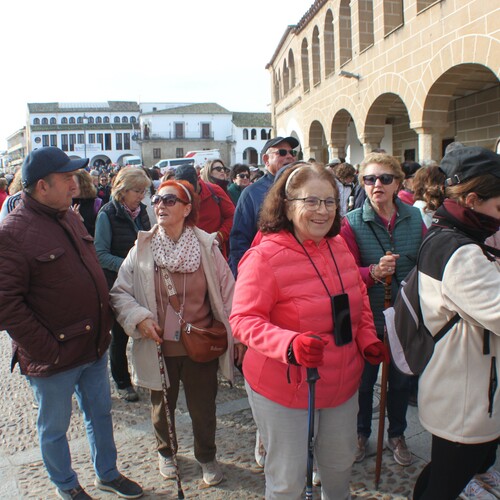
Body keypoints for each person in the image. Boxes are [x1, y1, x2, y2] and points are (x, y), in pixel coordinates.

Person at [229, 162, 385, 499]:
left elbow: (356, 301)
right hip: (286, 387)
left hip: (342, 383)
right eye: (310, 201)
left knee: (339, 464)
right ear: (286, 205)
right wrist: (289, 344)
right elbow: (243, 320)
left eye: (330, 202)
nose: (322, 211)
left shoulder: (339, 247)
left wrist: (367, 339)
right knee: (287, 478)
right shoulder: (263, 256)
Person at [0, 147, 143, 500]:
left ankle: (107, 474)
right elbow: (6, 304)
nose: (76, 184)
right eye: (66, 179)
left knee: (100, 415)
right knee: (55, 428)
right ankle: (66, 486)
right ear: (41, 186)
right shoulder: (12, 232)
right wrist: (47, 349)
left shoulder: (70, 216)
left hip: (92, 347)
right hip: (54, 358)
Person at [109, 180, 245, 486]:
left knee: (203, 408)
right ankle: (166, 452)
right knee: (161, 407)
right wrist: (140, 318)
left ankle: (206, 457)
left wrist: (236, 336)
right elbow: (120, 293)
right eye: (157, 199)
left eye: (170, 200)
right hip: (158, 344)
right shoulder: (142, 247)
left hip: (200, 344)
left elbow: (229, 294)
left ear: (187, 209)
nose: (160, 205)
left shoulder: (207, 246)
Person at [413, 146, 500, 500]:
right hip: (465, 396)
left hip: (460, 388)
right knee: (445, 483)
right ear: (474, 199)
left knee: (444, 473)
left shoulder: (447, 235)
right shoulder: (461, 252)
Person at [341, 152, 425, 467]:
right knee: (363, 382)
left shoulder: (415, 218)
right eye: (369, 179)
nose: (377, 185)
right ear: (363, 183)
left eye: (384, 179)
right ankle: (361, 434)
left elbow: (425, 262)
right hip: (368, 319)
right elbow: (347, 274)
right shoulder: (350, 223)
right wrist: (373, 273)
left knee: (401, 381)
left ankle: (397, 434)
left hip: (405, 317)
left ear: (397, 183)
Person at [94, 167, 152, 402]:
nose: (141, 196)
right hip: (117, 283)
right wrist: (129, 265)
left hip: (142, 280)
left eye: (143, 191)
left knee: (145, 328)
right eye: (137, 191)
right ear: (123, 190)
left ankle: (146, 375)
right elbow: (100, 254)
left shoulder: (143, 212)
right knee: (119, 336)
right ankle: (122, 381)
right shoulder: (107, 214)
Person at [229, 136, 299, 277]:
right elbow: (239, 241)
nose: (290, 157)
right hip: (267, 272)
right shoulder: (251, 193)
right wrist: (245, 275)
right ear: (266, 160)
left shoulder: (303, 187)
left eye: (292, 153)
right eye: (282, 153)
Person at [174, 164, 234, 259]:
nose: (188, 193)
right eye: (184, 189)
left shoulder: (215, 191)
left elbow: (232, 216)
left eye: (190, 188)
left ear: (198, 179)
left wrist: (220, 236)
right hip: (187, 255)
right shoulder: (175, 196)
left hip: (214, 252)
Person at [72, 169, 102, 236]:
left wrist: (82, 221)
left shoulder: (96, 204)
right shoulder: (67, 204)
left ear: (83, 184)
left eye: (73, 183)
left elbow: (100, 234)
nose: (70, 187)